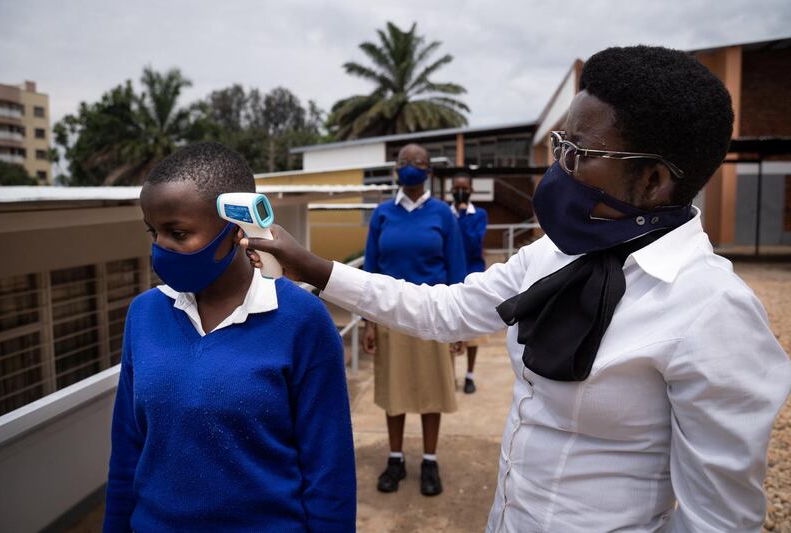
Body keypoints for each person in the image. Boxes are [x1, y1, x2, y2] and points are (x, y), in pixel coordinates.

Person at [243, 46, 790, 532]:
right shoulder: (551, 255)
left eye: (578, 152)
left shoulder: (711, 311)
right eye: (559, 144)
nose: (558, 167)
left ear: (653, 180)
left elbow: (717, 519)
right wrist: (313, 265)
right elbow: (442, 309)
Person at [103, 142, 356, 532]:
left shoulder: (301, 320)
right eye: (153, 232)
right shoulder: (144, 314)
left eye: (177, 232)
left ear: (235, 229)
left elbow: (329, 471)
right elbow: (127, 449)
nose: (160, 248)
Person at [360, 143, 467, 496]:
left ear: (429, 171)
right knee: (394, 391)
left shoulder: (443, 215)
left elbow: (456, 270)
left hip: (433, 315)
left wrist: (459, 324)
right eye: (403, 162)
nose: (409, 167)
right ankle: (395, 459)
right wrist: (369, 322)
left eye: (416, 162)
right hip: (390, 316)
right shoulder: (382, 214)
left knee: (431, 390)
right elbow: (371, 273)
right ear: (395, 169)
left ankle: (430, 461)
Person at [450, 172, 488, 393]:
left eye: (464, 188)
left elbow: (474, 244)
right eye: (456, 188)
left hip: (473, 277)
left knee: (472, 332)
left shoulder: (478, 214)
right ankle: (451, 375)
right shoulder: (445, 214)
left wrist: (463, 216)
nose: (459, 192)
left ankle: (470, 375)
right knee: (449, 327)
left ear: (471, 190)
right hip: (450, 279)